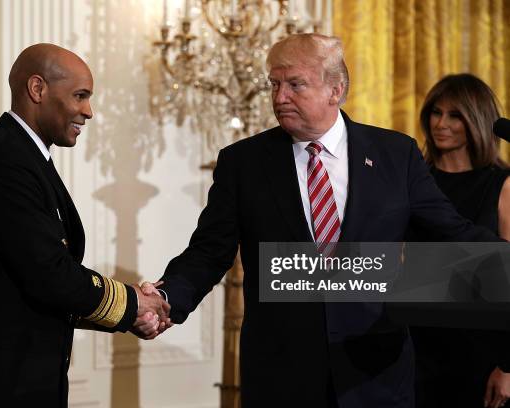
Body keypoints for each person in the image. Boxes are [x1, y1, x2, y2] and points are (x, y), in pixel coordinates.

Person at [142, 34, 503, 407]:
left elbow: (452, 233)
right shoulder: (243, 163)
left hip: (375, 372)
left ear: (336, 90)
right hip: (282, 373)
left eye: (295, 84)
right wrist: (167, 298)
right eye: (274, 84)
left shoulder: (396, 154)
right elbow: (208, 252)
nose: (280, 97)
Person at [0, 44, 170, 407]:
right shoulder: (4, 160)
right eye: (80, 96)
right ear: (37, 89)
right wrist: (133, 303)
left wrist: (128, 314)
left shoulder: (27, 158)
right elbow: (49, 273)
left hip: (21, 381)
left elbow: (45, 291)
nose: (88, 111)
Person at [410, 73, 510, 408]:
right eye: (436, 113)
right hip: (418, 346)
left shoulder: (502, 184)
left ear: (477, 120)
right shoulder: (412, 181)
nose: (441, 123)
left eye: (454, 115)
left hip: (483, 351)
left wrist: (508, 366)